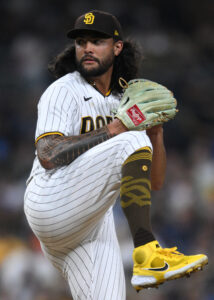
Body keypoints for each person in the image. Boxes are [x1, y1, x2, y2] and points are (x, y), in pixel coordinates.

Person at [24, 10, 208, 300]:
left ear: (117, 46)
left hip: (90, 222)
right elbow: (48, 154)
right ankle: (147, 253)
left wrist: (156, 133)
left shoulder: (124, 99)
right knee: (129, 137)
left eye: (97, 41)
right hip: (50, 200)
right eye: (81, 42)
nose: (87, 48)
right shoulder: (63, 90)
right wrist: (115, 129)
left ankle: (147, 256)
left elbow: (154, 183)